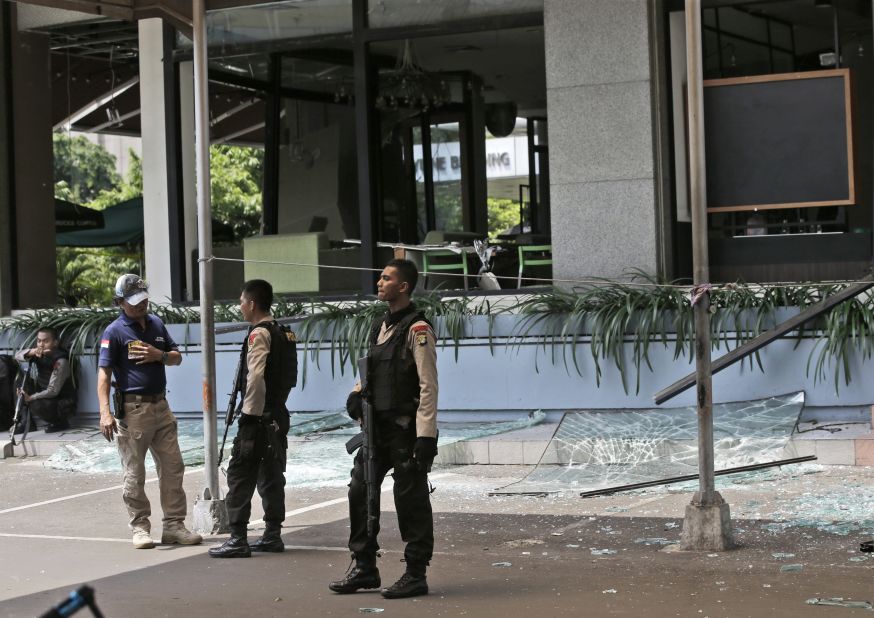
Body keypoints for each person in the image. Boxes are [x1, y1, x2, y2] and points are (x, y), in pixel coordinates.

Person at [329, 259, 439, 600]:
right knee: (359, 491)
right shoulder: (381, 325)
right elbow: (371, 372)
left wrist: (426, 436)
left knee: (410, 500)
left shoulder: (418, 329)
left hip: (406, 431)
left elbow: (428, 386)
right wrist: (354, 394)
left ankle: (416, 573)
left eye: (387, 278)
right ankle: (364, 567)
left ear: (402, 287)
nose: (379, 282)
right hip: (377, 431)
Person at [97, 274, 202, 550]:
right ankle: (140, 528)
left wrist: (161, 356)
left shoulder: (156, 323)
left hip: (161, 406)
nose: (141, 305)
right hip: (134, 409)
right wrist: (105, 412)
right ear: (120, 302)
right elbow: (104, 375)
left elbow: (177, 357)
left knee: (173, 466)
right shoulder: (114, 332)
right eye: (133, 302)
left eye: (143, 300)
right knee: (134, 472)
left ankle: (174, 526)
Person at [209, 279, 297, 558]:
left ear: (252, 304)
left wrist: (250, 415)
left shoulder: (259, 334)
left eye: (241, 301)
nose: (240, 307)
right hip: (277, 414)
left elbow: (256, 377)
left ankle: (237, 539)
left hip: (258, 416)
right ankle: (272, 535)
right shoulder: (284, 332)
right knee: (271, 474)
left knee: (240, 473)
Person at [13, 327, 77, 433]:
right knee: (19, 381)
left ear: (55, 343)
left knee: (35, 403)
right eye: (39, 341)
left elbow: (53, 391)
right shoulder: (39, 354)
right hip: (45, 394)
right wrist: (31, 352)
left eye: (46, 341)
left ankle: (60, 422)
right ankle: (25, 422)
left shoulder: (61, 361)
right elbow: (17, 356)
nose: (41, 345)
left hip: (61, 403)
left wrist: (31, 398)